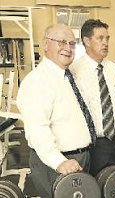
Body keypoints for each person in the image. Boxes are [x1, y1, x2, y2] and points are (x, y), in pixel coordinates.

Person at [17, 24, 94, 198]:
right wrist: (59, 162)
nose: (68, 48)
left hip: (79, 159)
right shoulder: (38, 81)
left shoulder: (67, 76)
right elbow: (37, 129)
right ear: (46, 45)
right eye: (61, 42)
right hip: (58, 164)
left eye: (72, 44)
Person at [70, 19, 115, 176]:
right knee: (92, 187)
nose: (105, 43)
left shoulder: (114, 69)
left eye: (107, 38)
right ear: (87, 41)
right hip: (91, 144)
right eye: (100, 38)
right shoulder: (74, 70)